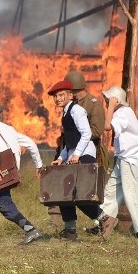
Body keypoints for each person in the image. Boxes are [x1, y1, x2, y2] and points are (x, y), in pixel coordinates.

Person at [0, 101, 43, 245]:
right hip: (11, 171)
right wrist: (38, 165)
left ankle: (31, 229)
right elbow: (31, 143)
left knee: (5, 206)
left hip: (0, 171)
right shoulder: (9, 129)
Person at [91, 86, 138, 240]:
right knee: (111, 191)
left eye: (109, 100)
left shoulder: (123, 113)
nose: (107, 103)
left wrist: (113, 105)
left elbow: (107, 127)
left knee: (130, 192)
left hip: (129, 159)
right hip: (122, 158)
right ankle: (101, 223)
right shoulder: (121, 113)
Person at [48, 80, 100, 241]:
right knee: (64, 193)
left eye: (61, 95)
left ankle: (104, 219)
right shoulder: (66, 112)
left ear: (70, 95)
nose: (58, 98)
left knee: (77, 194)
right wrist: (61, 158)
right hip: (74, 155)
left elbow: (86, 134)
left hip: (84, 154)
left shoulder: (77, 110)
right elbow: (69, 140)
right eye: (56, 96)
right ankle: (70, 230)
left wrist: (77, 155)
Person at [64, 70, 109, 171]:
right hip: (71, 150)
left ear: (73, 89)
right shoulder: (72, 104)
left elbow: (96, 131)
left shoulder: (94, 105)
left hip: (88, 153)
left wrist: (76, 134)